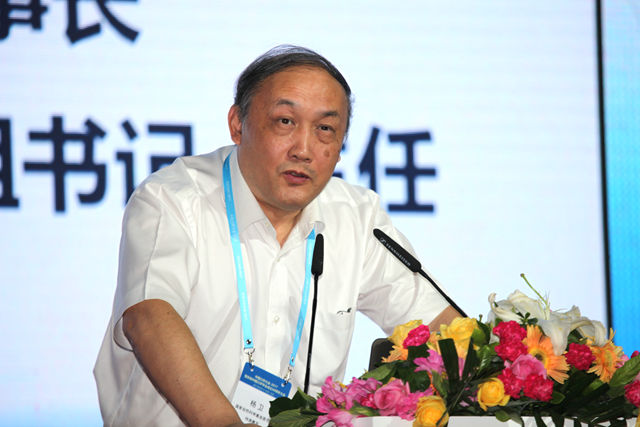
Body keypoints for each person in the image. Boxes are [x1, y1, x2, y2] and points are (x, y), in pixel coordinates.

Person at [94, 45, 460, 427]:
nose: (304, 149)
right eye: (285, 122)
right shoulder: (174, 200)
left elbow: (443, 330)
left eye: (325, 129)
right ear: (237, 124)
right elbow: (148, 317)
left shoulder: (357, 217)